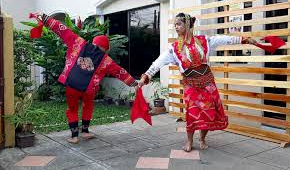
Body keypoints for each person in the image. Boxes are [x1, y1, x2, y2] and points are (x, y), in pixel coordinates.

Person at [138, 12, 257, 152]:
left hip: (208, 85)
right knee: (192, 114)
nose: (176, 27)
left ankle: (202, 138)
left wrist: (244, 40)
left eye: (179, 24)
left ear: (187, 25)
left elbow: (225, 39)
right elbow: (158, 62)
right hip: (191, 86)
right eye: (175, 24)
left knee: (208, 113)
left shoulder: (205, 40)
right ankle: (189, 141)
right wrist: (146, 75)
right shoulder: (174, 48)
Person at [33, 13, 138, 144]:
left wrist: (46, 19)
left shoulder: (78, 42)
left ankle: (74, 136)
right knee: (88, 105)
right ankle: (85, 131)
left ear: (94, 43)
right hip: (88, 88)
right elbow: (120, 72)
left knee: (72, 109)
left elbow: (62, 30)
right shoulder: (106, 60)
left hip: (71, 83)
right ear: (106, 48)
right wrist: (134, 83)